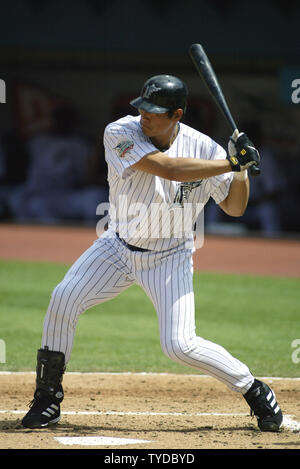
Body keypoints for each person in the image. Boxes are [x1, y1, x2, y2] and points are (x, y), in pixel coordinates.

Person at [21, 75, 283, 433]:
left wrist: (242, 174)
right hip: (117, 245)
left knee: (180, 345)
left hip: (169, 255)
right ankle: (47, 400)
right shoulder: (120, 132)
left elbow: (236, 208)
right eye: (142, 107)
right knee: (63, 298)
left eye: (155, 112)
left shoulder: (204, 149)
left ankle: (254, 389)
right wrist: (231, 163)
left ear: (176, 114)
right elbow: (167, 168)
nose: (144, 115)